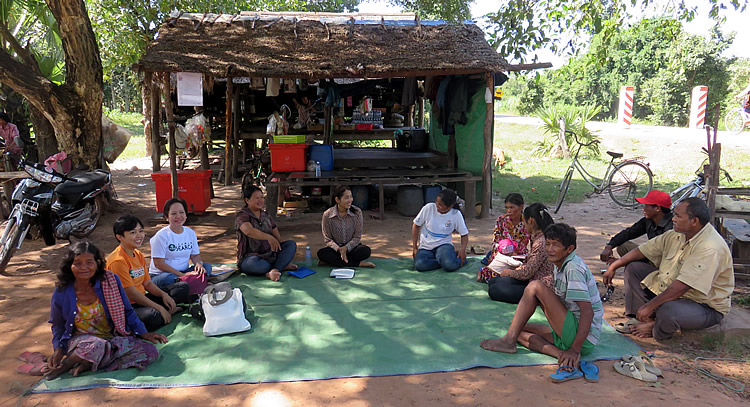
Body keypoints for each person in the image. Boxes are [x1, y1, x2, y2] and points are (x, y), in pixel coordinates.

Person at [481, 223, 603, 383]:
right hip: (570, 329)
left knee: (535, 286)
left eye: (556, 245)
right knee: (519, 330)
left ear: (569, 249)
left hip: (582, 337)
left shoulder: (572, 268)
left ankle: (509, 342)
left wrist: (575, 349)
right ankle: (560, 354)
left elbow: (588, 312)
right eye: (548, 243)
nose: (550, 249)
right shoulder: (559, 264)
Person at [603, 197, 734, 340]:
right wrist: (614, 266)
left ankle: (655, 327)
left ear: (694, 221)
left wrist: (650, 306)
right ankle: (641, 318)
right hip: (672, 292)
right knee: (633, 268)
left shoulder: (710, 247)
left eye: (678, 216)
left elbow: (682, 286)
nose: (673, 219)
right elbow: (643, 250)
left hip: (703, 305)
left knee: (669, 311)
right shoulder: (677, 234)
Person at [46, 241, 167, 380]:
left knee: (150, 352)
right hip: (81, 343)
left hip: (111, 339)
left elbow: (127, 311)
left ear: (97, 263)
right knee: (96, 346)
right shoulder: (62, 291)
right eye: (77, 263)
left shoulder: (111, 281)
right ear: (70, 266)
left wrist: (143, 333)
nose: (83, 267)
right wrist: (59, 349)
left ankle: (88, 363)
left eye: (89, 262)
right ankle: (66, 365)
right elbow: (58, 324)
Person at [107, 214, 189, 332]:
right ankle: (163, 313)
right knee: (153, 316)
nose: (139, 236)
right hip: (128, 307)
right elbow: (132, 294)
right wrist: (159, 307)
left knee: (182, 287)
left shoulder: (138, 254)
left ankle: (166, 311)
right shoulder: (117, 261)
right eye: (133, 233)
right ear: (120, 237)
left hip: (143, 299)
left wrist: (163, 295)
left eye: (140, 231)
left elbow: (148, 283)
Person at [485, 203, 555, 304]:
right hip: (533, 278)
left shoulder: (541, 242)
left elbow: (528, 273)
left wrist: (510, 272)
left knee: (495, 289)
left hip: (541, 286)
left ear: (530, 220)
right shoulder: (537, 237)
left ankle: (536, 300)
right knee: (494, 282)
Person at [236, 185, 298, 281]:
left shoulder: (266, 215)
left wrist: (281, 248)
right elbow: (248, 231)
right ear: (247, 200)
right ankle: (277, 267)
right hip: (251, 258)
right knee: (255, 265)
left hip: (270, 255)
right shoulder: (242, 215)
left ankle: (275, 269)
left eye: (262, 197)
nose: (260, 200)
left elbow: (276, 235)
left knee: (291, 245)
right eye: (257, 198)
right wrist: (268, 237)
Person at [149, 198, 212, 290]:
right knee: (168, 278)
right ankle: (194, 283)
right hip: (163, 275)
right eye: (173, 213)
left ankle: (187, 283)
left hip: (183, 272)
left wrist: (199, 264)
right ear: (167, 217)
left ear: (186, 215)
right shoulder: (161, 236)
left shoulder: (190, 233)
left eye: (181, 212)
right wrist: (182, 275)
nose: (178, 216)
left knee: (206, 267)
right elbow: (159, 264)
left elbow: (195, 256)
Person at [600, 190, 673, 264]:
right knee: (623, 245)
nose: (643, 209)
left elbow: (658, 253)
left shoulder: (672, 227)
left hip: (665, 261)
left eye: (646, 206)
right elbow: (629, 233)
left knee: (634, 265)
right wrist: (609, 246)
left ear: (657, 208)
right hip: (651, 256)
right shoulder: (649, 220)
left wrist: (621, 262)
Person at [317, 186, 375, 268]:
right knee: (322, 253)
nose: (350, 200)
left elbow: (357, 237)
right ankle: (357, 264)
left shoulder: (357, 212)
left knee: (365, 251)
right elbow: (328, 239)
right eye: (346, 198)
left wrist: (346, 248)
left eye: (351, 197)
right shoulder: (327, 215)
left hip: (351, 248)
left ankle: (334, 262)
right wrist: (339, 249)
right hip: (336, 249)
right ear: (337, 200)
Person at [412, 188, 469, 272]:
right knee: (420, 265)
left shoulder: (456, 214)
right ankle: (445, 261)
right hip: (426, 247)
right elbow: (416, 226)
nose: (437, 206)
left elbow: (464, 234)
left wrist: (462, 250)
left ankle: (451, 261)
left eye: (440, 205)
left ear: (450, 206)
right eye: (436, 203)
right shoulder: (428, 208)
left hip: (444, 245)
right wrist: (415, 247)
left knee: (450, 265)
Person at [481, 193, 530, 265]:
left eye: (511, 207)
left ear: (521, 207)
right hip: (502, 255)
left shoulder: (527, 223)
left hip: (520, 256)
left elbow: (532, 243)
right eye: (506, 208)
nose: (508, 211)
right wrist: (504, 252)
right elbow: (495, 242)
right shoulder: (501, 220)